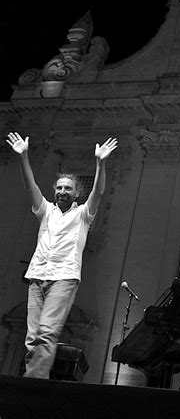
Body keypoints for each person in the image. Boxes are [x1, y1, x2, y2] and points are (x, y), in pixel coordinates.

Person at [6, 131, 118, 379]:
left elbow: (98, 193)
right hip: (37, 276)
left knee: (47, 332)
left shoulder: (83, 215)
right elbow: (30, 186)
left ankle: (32, 383)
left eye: (68, 188)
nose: (62, 191)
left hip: (64, 277)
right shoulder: (46, 210)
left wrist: (100, 163)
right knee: (32, 336)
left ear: (76, 194)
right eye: (59, 188)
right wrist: (23, 157)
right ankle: (35, 380)